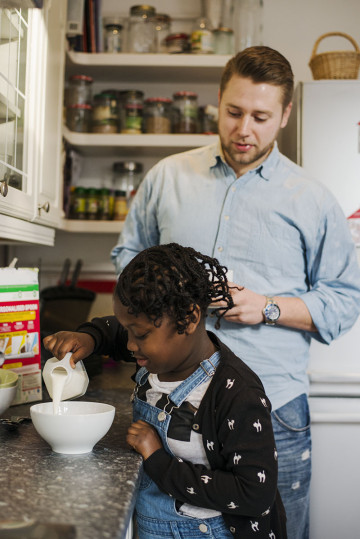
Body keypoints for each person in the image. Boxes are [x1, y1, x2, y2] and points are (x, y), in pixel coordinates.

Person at [110, 46, 360, 539]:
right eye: (234, 112)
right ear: (218, 102)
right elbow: (126, 259)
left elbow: (346, 298)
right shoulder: (167, 178)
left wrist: (265, 307)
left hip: (274, 410)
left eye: (262, 116)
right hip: (166, 406)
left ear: (285, 115)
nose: (245, 129)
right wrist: (170, 293)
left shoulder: (312, 199)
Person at [43, 243, 287, 539]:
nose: (131, 345)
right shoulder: (155, 354)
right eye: (127, 330)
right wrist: (89, 338)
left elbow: (253, 493)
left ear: (189, 318)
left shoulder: (235, 393)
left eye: (141, 334)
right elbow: (114, 332)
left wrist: (158, 460)